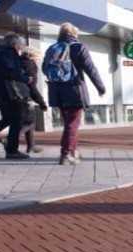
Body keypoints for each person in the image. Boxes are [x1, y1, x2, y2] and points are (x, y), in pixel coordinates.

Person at [44, 22, 106, 165]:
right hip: (74, 90)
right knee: (72, 123)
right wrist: (100, 87)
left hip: (56, 91)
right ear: (74, 34)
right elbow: (91, 69)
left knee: (68, 123)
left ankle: (72, 151)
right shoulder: (78, 47)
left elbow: (44, 68)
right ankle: (66, 154)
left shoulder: (52, 49)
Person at [0, 33, 31, 159]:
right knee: (17, 118)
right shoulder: (8, 53)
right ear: (15, 44)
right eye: (21, 45)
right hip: (8, 91)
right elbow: (11, 72)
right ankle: (12, 150)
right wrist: (26, 79)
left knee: (9, 117)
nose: (22, 48)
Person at [18, 47, 48, 154]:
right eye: (38, 57)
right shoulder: (30, 65)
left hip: (15, 95)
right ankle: (9, 138)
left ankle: (31, 145)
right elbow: (32, 86)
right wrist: (41, 102)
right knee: (30, 121)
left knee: (28, 120)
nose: (38, 60)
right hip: (26, 96)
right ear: (33, 56)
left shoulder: (18, 62)